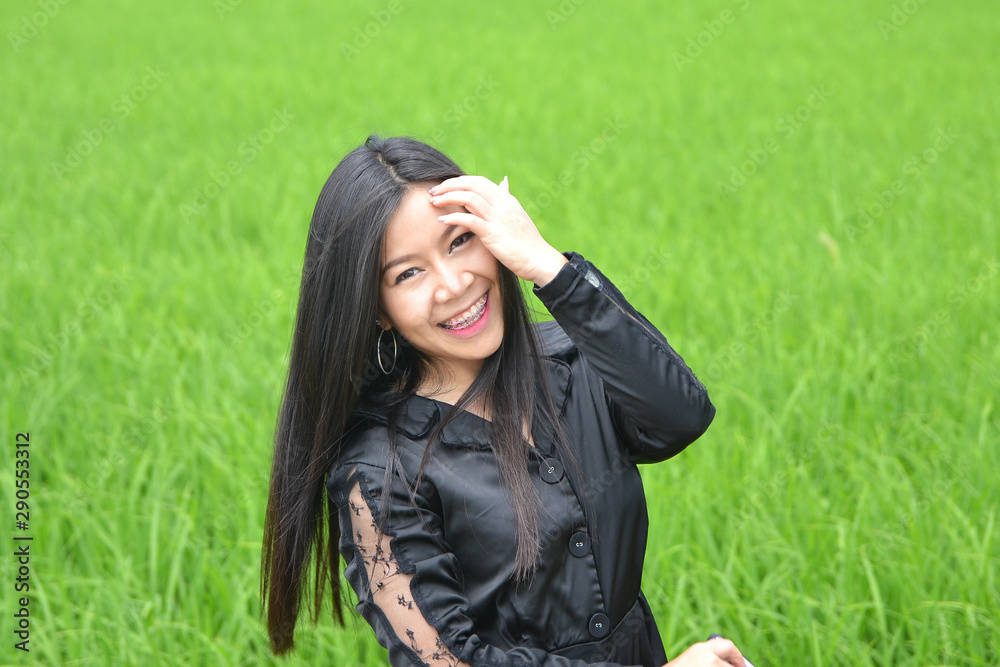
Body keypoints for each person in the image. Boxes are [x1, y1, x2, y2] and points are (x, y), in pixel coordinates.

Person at [259, 135, 748, 666]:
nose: (454, 284)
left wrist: (550, 267)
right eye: (408, 273)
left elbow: (681, 417)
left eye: (460, 240)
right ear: (377, 310)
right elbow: (450, 660)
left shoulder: (570, 358)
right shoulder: (379, 471)